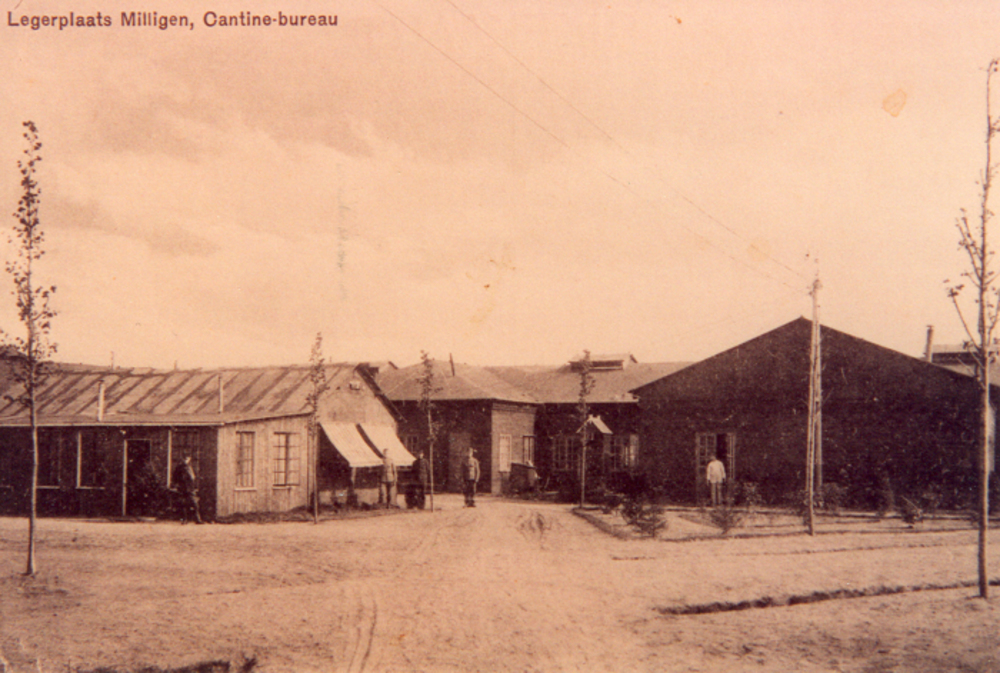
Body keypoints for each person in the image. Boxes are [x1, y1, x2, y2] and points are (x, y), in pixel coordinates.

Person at [172, 456, 202, 524]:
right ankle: (184, 519)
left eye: (187, 459)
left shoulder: (189, 467)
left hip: (190, 488)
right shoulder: (179, 468)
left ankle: (197, 519)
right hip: (182, 488)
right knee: (183, 504)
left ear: (189, 459)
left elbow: (193, 478)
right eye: (184, 459)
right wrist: (177, 485)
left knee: (194, 503)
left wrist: (194, 486)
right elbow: (174, 477)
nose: (185, 460)